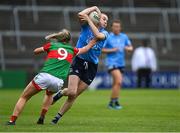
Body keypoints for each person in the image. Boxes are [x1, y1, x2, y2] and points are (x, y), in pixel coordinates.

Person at [6, 29, 97, 125]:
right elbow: (86, 48)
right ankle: (42, 117)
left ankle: (12, 120)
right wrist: (94, 41)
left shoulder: (51, 45)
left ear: (59, 38)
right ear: (69, 40)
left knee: (24, 97)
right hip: (58, 81)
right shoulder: (72, 49)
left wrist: (46, 48)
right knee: (49, 94)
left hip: (45, 75)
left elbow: (35, 51)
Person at [49, 6, 110, 124]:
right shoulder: (86, 26)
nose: (106, 22)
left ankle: (57, 117)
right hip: (79, 61)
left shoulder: (105, 33)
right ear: (97, 18)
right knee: (71, 91)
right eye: (103, 19)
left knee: (74, 95)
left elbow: (97, 35)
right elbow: (80, 14)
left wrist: (88, 19)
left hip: (92, 66)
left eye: (107, 20)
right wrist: (94, 8)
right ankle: (61, 93)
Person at [102, 20, 133, 109]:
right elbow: (102, 49)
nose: (116, 28)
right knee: (119, 81)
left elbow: (130, 47)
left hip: (121, 63)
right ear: (112, 27)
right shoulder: (108, 37)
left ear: (120, 28)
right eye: (115, 26)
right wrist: (112, 50)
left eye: (118, 26)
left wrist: (128, 48)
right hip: (111, 62)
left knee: (117, 83)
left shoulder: (124, 37)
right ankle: (112, 102)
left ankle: (115, 101)